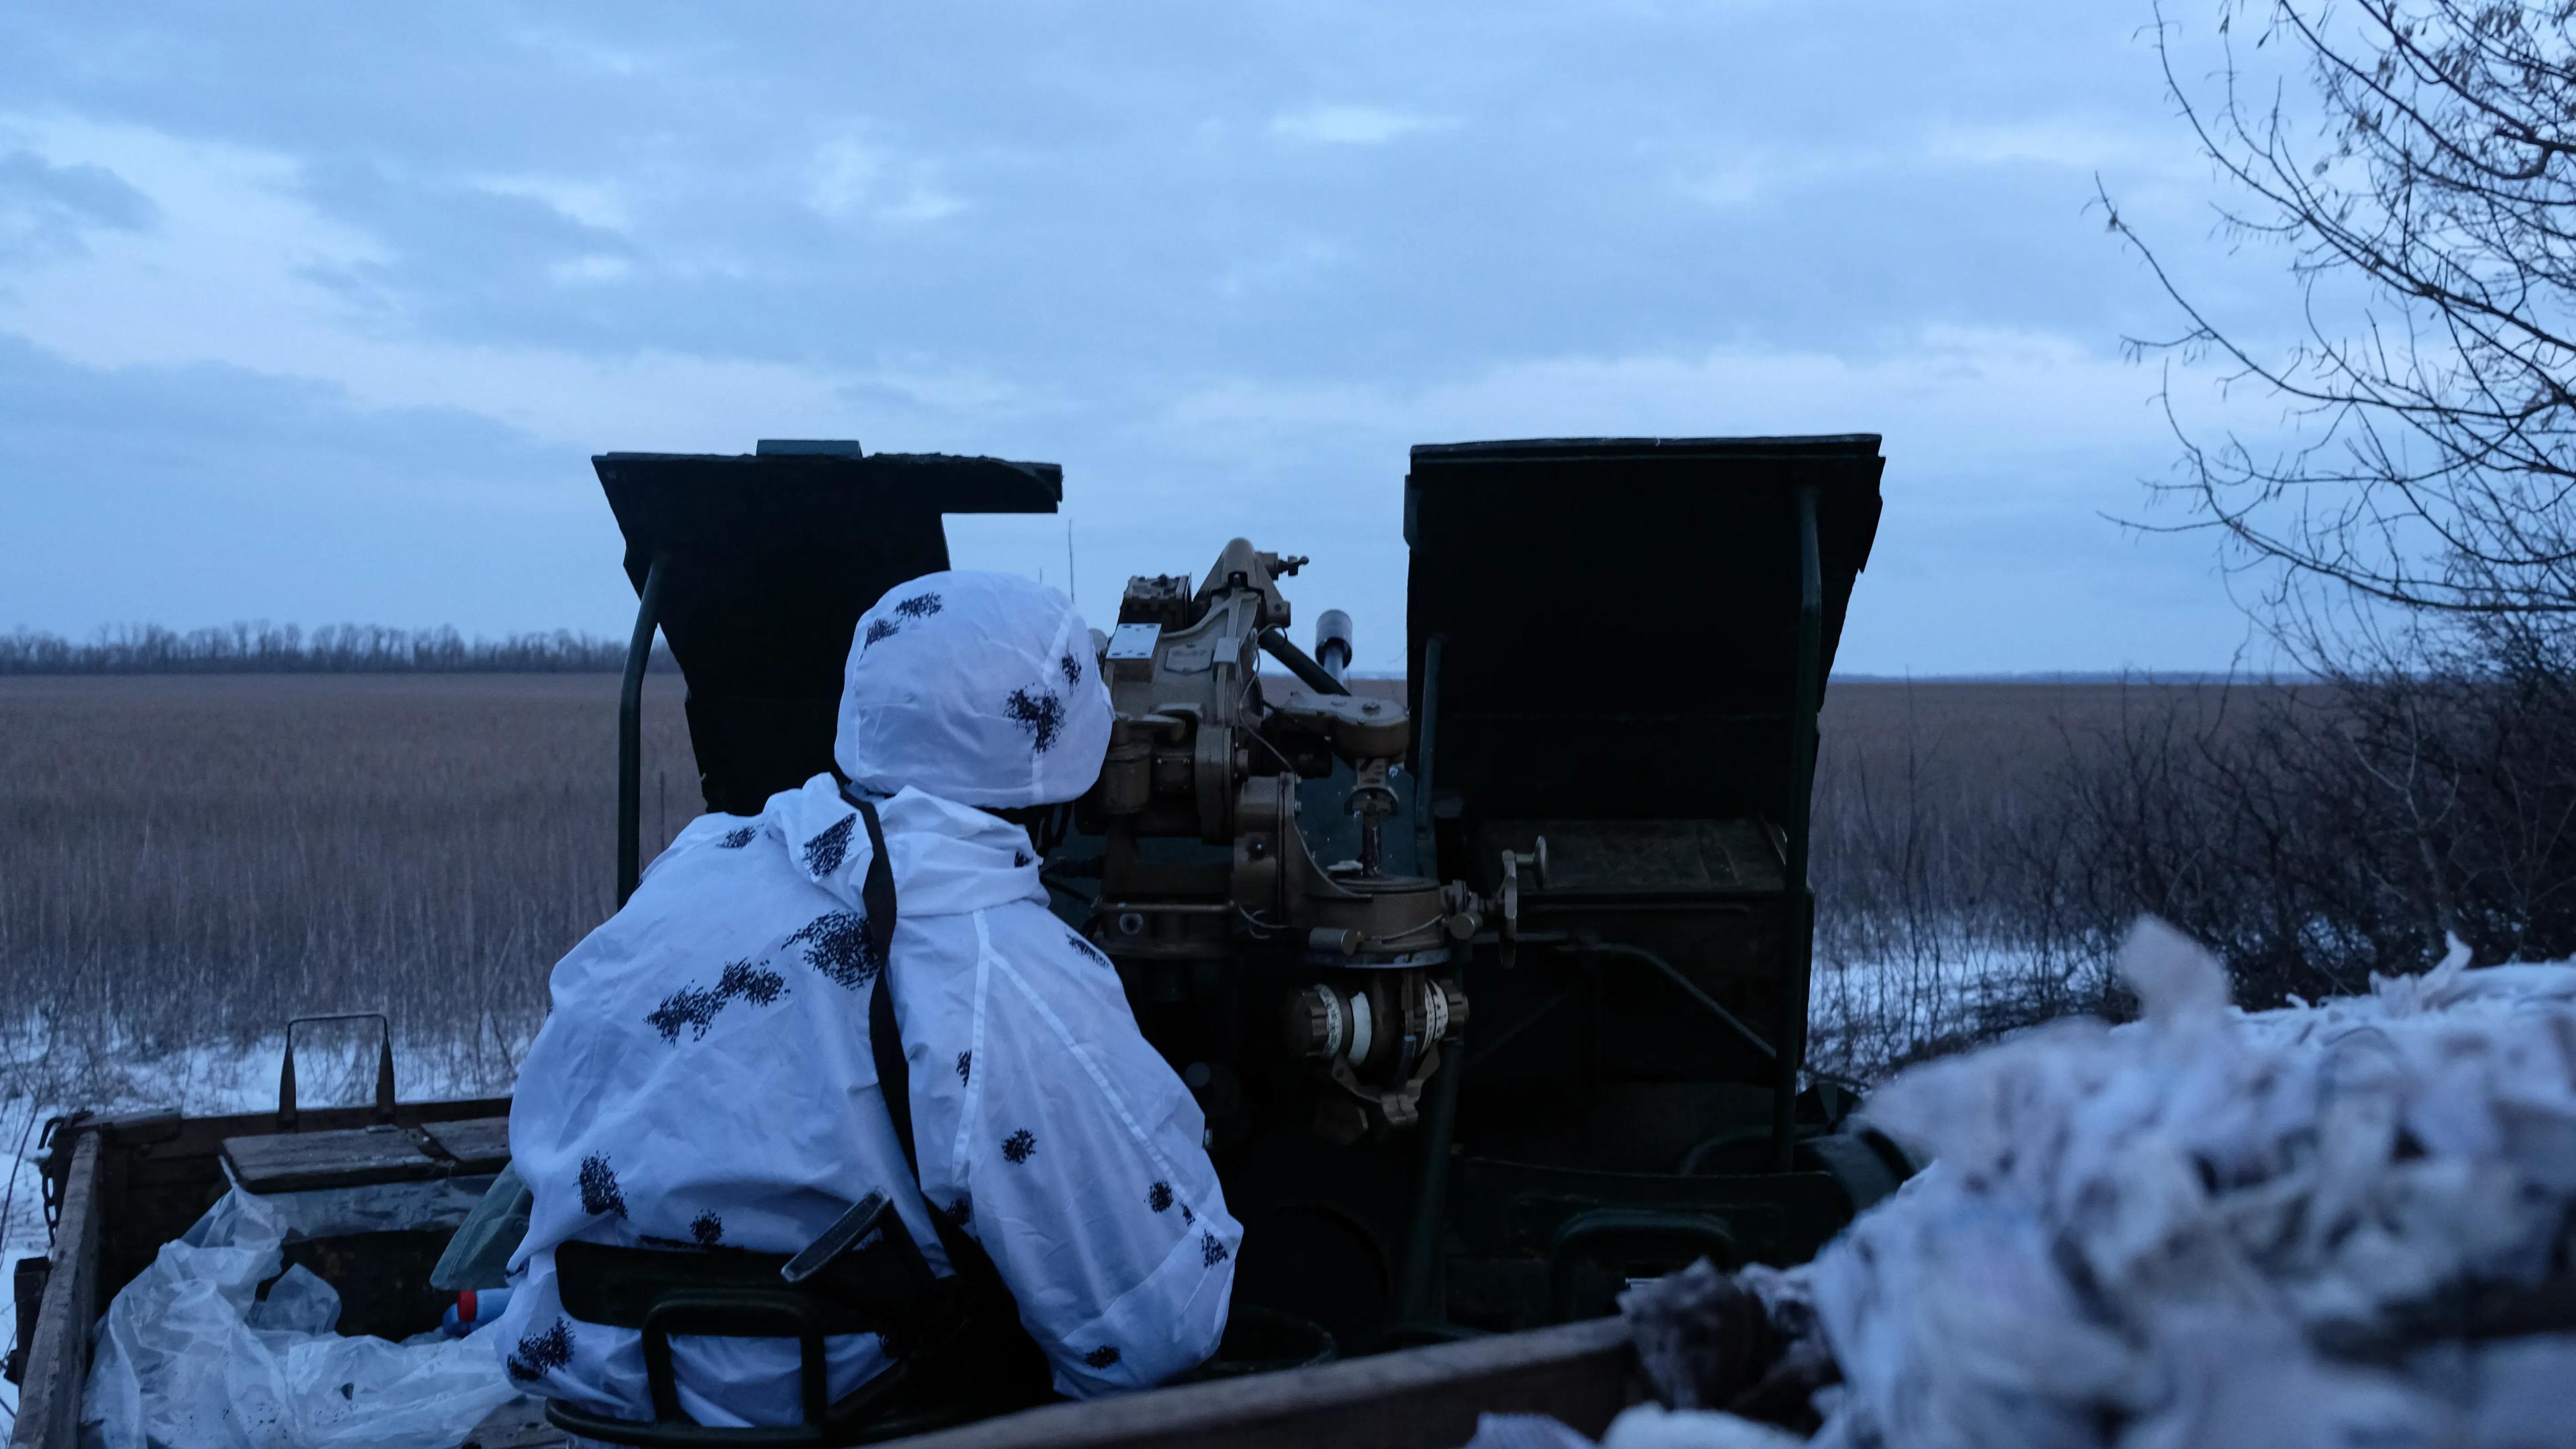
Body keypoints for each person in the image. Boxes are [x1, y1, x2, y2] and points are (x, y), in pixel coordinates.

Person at [490, 571, 1238, 1433]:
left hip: (598, 1378)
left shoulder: (698, 863)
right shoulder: (997, 969)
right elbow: (1159, 1329)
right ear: (1067, 748)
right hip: (812, 1400)